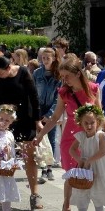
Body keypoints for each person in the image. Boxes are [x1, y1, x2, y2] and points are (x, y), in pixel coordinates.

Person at [35, 55, 101, 211]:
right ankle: (72, 209)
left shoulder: (93, 89)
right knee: (73, 175)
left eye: (67, 76)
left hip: (89, 138)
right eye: (62, 77)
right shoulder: (64, 92)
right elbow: (56, 116)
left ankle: (70, 207)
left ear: (78, 73)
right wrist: (41, 134)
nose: (64, 80)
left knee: (86, 176)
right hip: (70, 139)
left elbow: (100, 116)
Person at [0, 54, 42, 211]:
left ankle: (34, 195)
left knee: (29, 156)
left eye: (1, 74)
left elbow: (34, 96)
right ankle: (2, 196)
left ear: (9, 68)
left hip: (25, 120)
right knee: (4, 157)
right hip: (4, 121)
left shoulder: (23, 73)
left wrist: (37, 120)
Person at [34, 47, 61, 183]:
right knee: (40, 139)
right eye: (43, 58)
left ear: (54, 58)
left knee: (51, 138)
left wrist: (50, 113)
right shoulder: (37, 73)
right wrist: (37, 113)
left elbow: (59, 97)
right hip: (39, 109)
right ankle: (43, 167)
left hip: (52, 110)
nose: (44, 60)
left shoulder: (59, 75)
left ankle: (49, 167)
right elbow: (33, 93)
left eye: (47, 58)